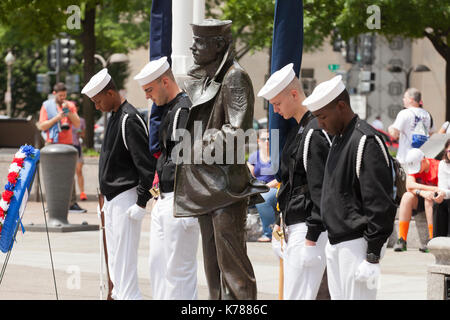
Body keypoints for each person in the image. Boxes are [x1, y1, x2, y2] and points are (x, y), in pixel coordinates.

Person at [173, 19, 268, 300]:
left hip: (225, 188)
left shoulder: (234, 77)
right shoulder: (207, 77)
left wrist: (193, 147)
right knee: (213, 265)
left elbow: (236, 132)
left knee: (233, 267)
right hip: (206, 188)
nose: (193, 46)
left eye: (200, 42)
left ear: (218, 45)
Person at [304, 75, 397, 300]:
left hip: (357, 245)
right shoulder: (340, 138)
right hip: (337, 241)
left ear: (342, 106)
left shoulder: (366, 140)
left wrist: (372, 255)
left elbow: (379, 202)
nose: (320, 124)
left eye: (323, 116)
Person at [81, 68, 156, 300]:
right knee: (115, 261)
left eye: (98, 100)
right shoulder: (116, 117)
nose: (96, 106)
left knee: (124, 263)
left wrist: (142, 202)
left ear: (111, 92)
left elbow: (146, 166)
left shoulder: (129, 119)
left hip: (126, 198)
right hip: (113, 199)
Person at [258, 63, 331, 300]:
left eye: (277, 104)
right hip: (295, 224)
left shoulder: (315, 130)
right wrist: (281, 222)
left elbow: (319, 188)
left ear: (293, 93)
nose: (276, 110)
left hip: (308, 227)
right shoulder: (300, 129)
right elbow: (290, 182)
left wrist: (311, 235)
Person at [133, 56, 200, 300]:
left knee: (178, 271)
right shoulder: (172, 109)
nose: (148, 96)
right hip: (166, 197)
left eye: (149, 90)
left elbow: (185, 159)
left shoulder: (184, 108)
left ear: (165, 82)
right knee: (159, 267)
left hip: (180, 198)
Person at [38, 82, 87, 213]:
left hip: (67, 144)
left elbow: (77, 123)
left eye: (64, 95)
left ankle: (72, 203)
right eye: (60, 96)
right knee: (51, 175)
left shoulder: (69, 105)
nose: (62, 98)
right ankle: (52, 204)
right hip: (52, 144)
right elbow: (42, 126)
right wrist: (58, 118)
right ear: (54, 94)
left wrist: (68, 112)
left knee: (69, 175)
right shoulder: (46, 106)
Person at [393, 148, 445, 252]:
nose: (416, 171)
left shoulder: (438, 166)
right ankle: (402, 239)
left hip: (436, 201)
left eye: (418, 167)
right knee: (407, 196)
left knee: (428, 199)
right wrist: (422, 192)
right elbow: (409, 186)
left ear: (424, 160)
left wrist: (428, 191)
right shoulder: (414, 167)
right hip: (419, 198)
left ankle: (431, 239)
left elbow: (441, 189)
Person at [247, 129, 278, 242]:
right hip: (258, 188)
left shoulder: (277, 155)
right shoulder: (254, 156)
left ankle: (269, 234)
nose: (267, 141)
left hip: (275, 187)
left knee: (263, 199)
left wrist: (265, 188)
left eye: (269, 139)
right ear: (258, 141)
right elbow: (250, 176)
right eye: (264, 139)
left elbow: (281, 178)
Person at [388, 88, 433, 164]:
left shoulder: (405, 113)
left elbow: (394, 134)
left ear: (411, 99)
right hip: (422, 159)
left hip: (405, 158)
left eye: (405, 97)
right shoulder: (427, 114)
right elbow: (431, 133)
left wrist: (390, 128)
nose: (403, 99)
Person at [435, 139, 450, 237]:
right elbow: (442, 187)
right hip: (448, 195)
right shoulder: (443, 164)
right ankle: (438, 239)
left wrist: (445, 193)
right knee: (439, 202)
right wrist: (442, 194)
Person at [72, 105, 87, 201]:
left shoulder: (81, 120)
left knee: (78, 170)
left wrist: (80, 131)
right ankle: (69, 194)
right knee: (68, 173)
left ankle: (82, 193)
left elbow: (83, 135)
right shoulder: (65, 119)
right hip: (67, 146)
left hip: (77, 147)